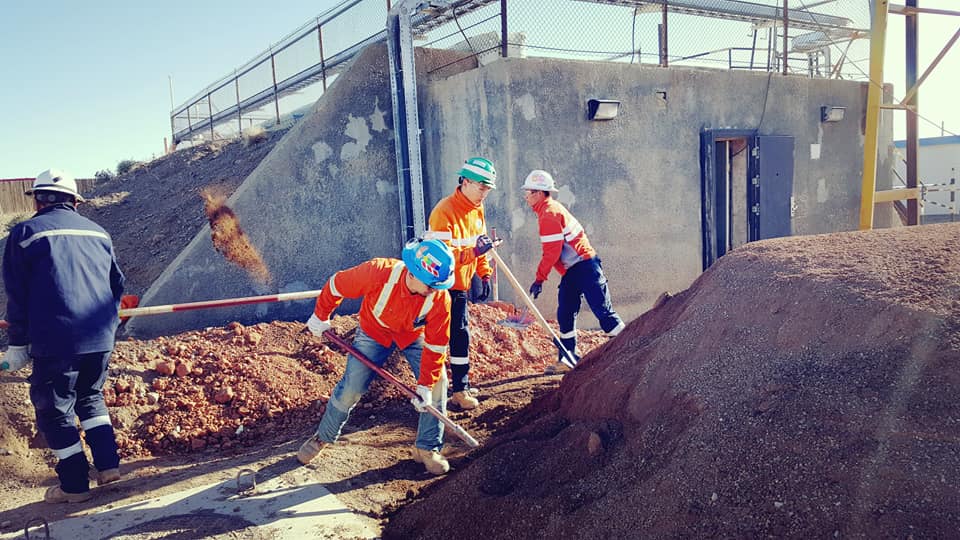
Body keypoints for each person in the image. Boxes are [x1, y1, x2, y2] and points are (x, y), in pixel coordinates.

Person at [0, 169, 126, 503]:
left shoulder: (25, 232)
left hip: (56, 339)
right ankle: (108, 466)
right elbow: (117, 286)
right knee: (90, 397)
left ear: (38, 200)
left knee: (55, 410)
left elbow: (18, 294)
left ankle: (73, 486)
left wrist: (17, 344)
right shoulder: (99, 232)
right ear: (74, 201)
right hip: (99, 336)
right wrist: (107, 326)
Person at [297, 238, 456, 475]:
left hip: (412, 335)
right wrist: (321, 316)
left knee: (438, 382)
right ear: (413, 273)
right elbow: (336, 285)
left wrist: (425, 385)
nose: (436, 290)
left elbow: (436, 346)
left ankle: (427, 448)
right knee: (352, 386)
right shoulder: (378, 272)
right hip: (374, 331)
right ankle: (323, 437)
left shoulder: (440, 299)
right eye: (432, 285)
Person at [521, 170, 625, 375]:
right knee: (566, 312)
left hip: (585, 266)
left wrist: (539, 279)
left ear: (540, 193)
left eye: (529, 192)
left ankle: (630, 349)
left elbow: (551, 252)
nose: (526, 196)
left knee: (602, 311)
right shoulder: (548, 211)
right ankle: (568, 358)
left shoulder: (549, 214)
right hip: (574, 269)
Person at [424, 156, 500, 410]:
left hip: (461, 285)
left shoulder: (476, 209)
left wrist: (484, 272)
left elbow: (479, 243)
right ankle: (443, 390)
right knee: (445, 336)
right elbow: (439, 259)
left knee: (460, 336)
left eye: (488, 189)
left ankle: (460, 387)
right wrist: (474, 255)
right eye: (481, 187)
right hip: (440, 287)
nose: (485, 193)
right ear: (465, 182)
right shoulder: (443, 212)